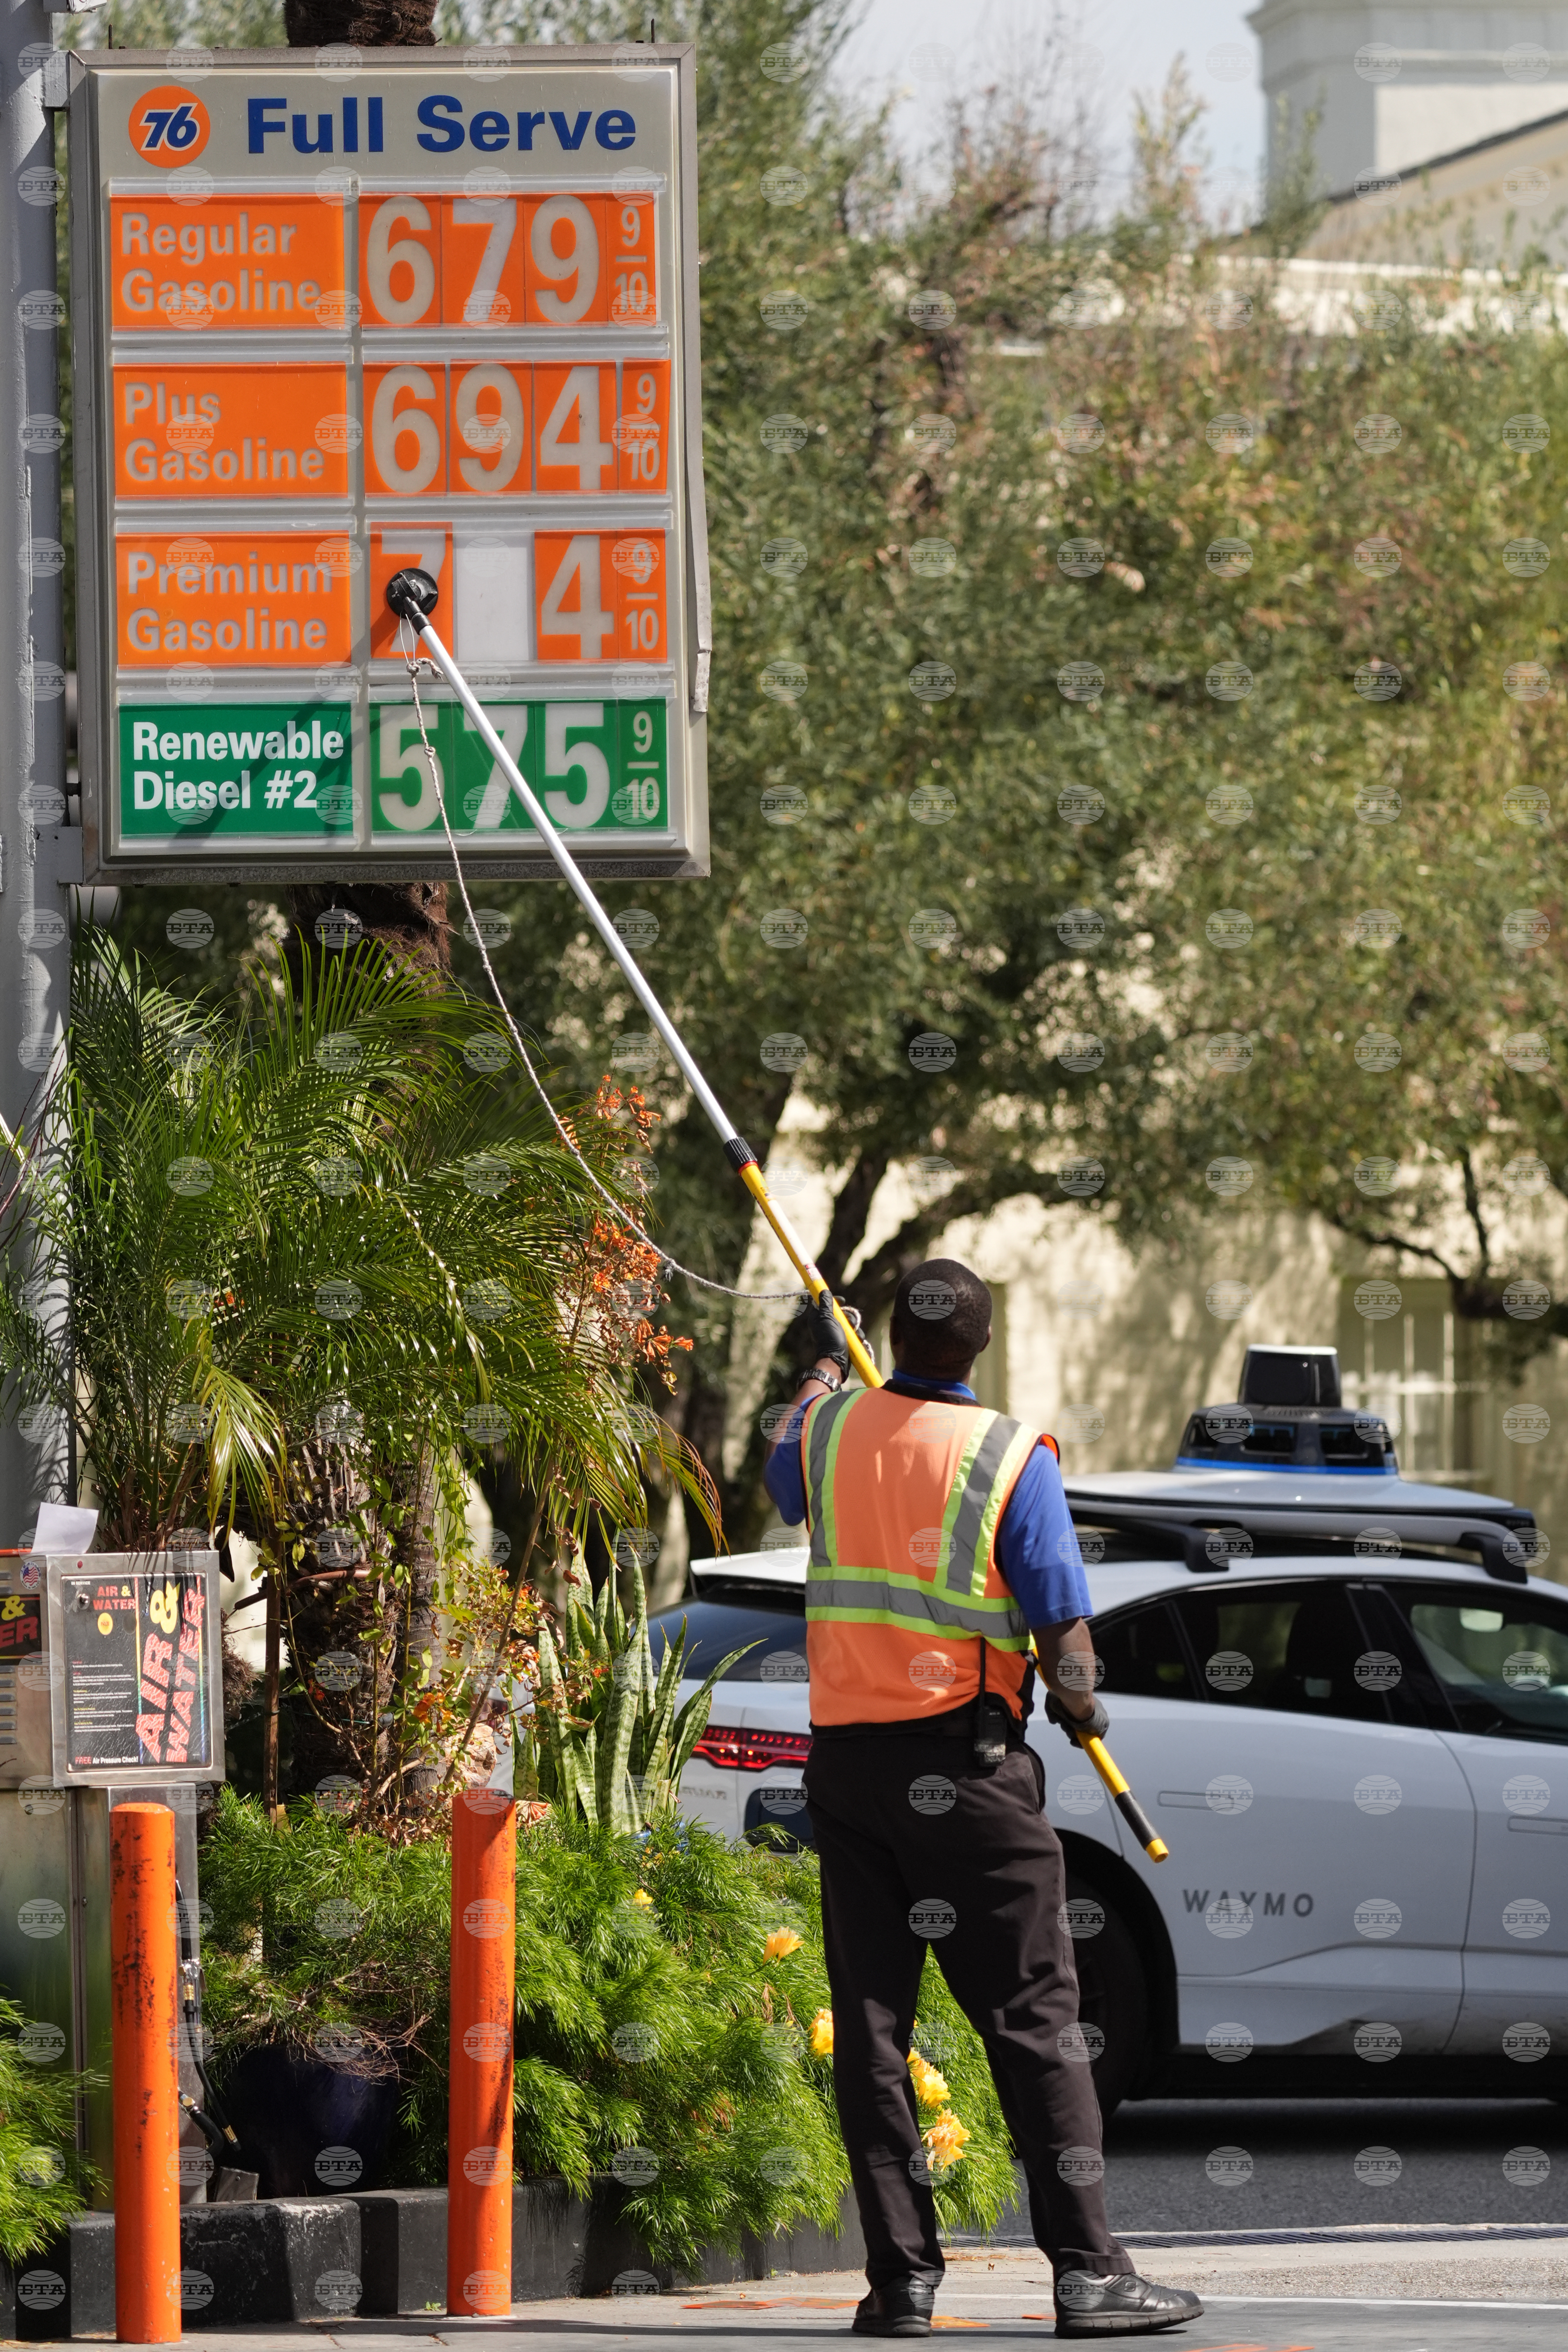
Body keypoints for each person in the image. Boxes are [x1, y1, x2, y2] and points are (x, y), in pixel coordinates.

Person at [764, 1259, 1202, 2341]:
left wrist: (825, 1364)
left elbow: (784, 1468)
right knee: (1035, 2024)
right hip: (965, 1775)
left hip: (850, 1773)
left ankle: (899, 2283)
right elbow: (1060, 1617)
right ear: (982, 1344)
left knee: (871, 2031)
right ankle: (1089, 2276)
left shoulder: (828, 1433)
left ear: (893, 1342)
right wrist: (1083, 1704)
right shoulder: (1009, 1453)